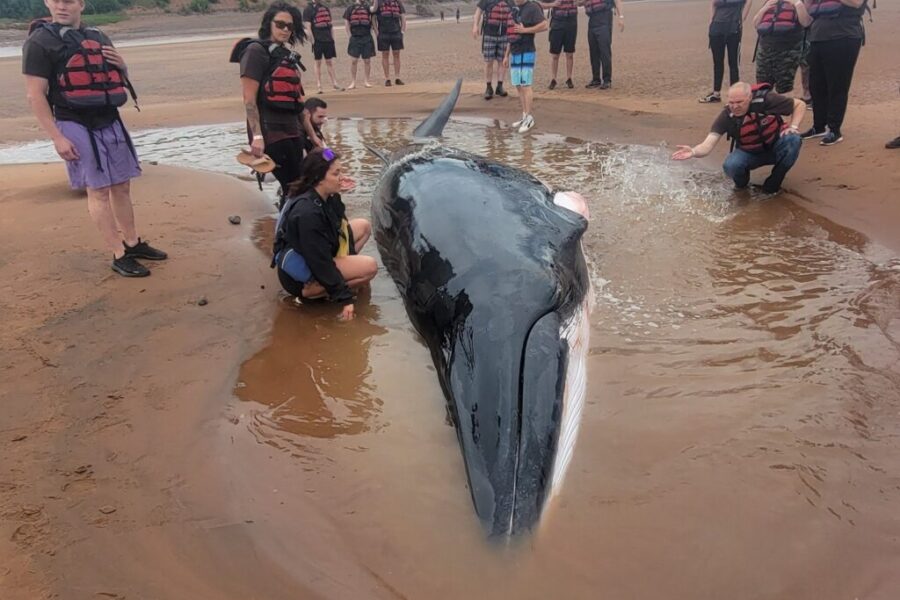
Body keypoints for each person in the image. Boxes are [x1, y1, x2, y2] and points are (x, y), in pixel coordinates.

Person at [23, 0, 167, 277]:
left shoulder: (98, 36)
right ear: (47, 2)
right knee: (98, 189)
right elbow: (35, 95)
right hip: (73, 120)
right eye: (55, 0)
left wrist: (123, 65)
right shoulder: (40, 42)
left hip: (109, 118)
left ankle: (133, 242)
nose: (61, 6)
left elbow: (113, 75)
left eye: (68, 1)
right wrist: (57, 138)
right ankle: (118, 253)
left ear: (81, 4)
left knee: (122, 185)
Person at [272, 147, 377, 321]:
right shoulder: (308, 213)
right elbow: (318, 260)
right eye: (336, 174)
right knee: (370, 267)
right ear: (319, 178)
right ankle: (314, 290)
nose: (341, 178)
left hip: (320, 251)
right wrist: (345, 298)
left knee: (363, 226)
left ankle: (341, 273)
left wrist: (337, 192)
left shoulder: (324, 194)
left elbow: (340, 225)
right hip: (300, 276)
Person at [237, 2, 317, 205]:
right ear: (268, 24)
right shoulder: (255, 51)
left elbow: (299, 104)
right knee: (294, 185)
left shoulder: (286, 57)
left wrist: (315, 138)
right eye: (280, 24)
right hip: (270, 132)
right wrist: (256, 137)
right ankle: (288, 229)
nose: (285, 29)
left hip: (292, 131)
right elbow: (249, 100)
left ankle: (287, 223)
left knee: (300, 183)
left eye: (290, 26)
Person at [672, 82, 805, 194]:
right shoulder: (726, 116)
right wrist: (693, 151)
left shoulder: (766, 100)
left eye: (740, 102)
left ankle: (773, 183)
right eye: (731, 103)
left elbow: (799, 105)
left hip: (775, 147)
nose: (735, 107)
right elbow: (707, 145)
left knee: (793, 139)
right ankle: (742, 187)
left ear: (749, 98)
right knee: (730, 165)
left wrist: (793, 126)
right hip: (750, 153)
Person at [800, 0, 868, 146]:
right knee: (816, 86)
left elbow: (856, 3)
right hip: (817, 37)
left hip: (843, 36)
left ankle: (834, 129)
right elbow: (806, 19)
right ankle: (818, 126)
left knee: (837, 85)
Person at [503, 0, 548, 133]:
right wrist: (506, 55)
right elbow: (511, 36)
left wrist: (525, 30)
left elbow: (545, 25)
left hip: (527, 51)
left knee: (525, 85)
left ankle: (529, 117)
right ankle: (524, 115)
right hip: (515, 52)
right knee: (518, 85)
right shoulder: (513, 9)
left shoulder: (532, 7)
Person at [752, 0, 811, 93]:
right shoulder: (769, 2)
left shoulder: (799, 2)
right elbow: (756, 24)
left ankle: (784, 105)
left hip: (788, 50)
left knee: (784, 88)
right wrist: (763, 9)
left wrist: (797, 4)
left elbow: (806, 22)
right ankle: (765, 105)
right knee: (762, 87)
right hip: (765, 49)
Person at [700, 0, 753, 103]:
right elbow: (713, 3)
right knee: (717, 62)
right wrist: (711, 20)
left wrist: (742, 19)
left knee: (733, 63)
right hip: (717, 28)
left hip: (733, 28)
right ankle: (716, 94)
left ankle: (735, 96)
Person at [473, 0, 512, 100]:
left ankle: (500, 86)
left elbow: (516, 13)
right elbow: (478, 12)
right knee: (488, 62)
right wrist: (475, 26)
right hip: (489, 34)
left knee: (502, 61)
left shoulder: (510, 1)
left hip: (505, 35)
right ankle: (488, 87)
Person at [581, 0, 624, 90]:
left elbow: (618, 1)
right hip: (592, 19)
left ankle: (607, 80)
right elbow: (577, 3)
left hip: (604, 18)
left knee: (605, 51)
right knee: (594, 52)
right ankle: (596, 79)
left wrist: (621, 17)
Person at [303, 0, 342, 93]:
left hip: (328, 39)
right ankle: (319, 86)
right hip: (317, 40)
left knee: (329, 61)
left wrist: (333, 39)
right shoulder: (308, 9)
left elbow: (331, 25)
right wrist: (312, 40)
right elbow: (308, 27)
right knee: (318, 62)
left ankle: (335, 83)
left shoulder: (325, 8)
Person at [541, 0, 578, 90]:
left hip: (571, 23)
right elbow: (540, 4)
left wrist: (578, 2)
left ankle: (569, 78)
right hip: (557, 23)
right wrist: (552, 4)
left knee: (570, 53)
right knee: (555, 55)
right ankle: (553, 79)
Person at [372, 0, 406, 86]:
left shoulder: (398, 2)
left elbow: (402, 17)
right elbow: (373, 18)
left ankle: (397, 77)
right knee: (385, 54)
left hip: (396, 32)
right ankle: (387, 79)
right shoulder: (378, 2)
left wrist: (402, 31)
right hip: (383, 33)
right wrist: (376, 32)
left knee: (396, 54)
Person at [344, 0, 376, 88]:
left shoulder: (367, 7)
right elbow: (346, 23)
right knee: (354, 61)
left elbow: (374, 9)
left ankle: (366, 81)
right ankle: (353, 82)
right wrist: (350, 36)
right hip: (355, 37)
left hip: (366, 37)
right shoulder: (350, 8)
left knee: (367, 61)